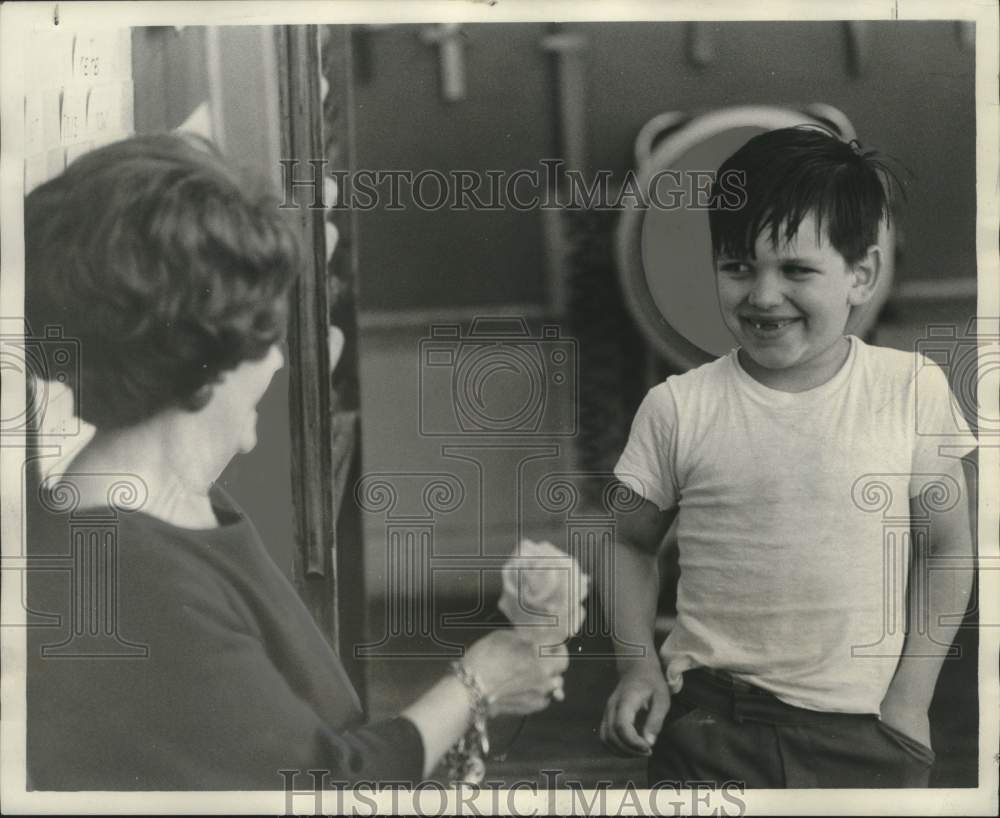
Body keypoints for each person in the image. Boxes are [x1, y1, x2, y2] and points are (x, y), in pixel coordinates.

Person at [24, 133, 568, 790]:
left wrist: (490, 680)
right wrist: (479, 683)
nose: (278, 361)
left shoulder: (182, 505)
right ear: (198, 355)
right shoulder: (125, 572)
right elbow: (319, 790)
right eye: (262, 337)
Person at [599, 127, 977, 788]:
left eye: (796, 269)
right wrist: (637, 666)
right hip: (709, 729)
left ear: (862, 274)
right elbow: (627, 545)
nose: (764, 295)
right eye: (738, 266)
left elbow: (947, 550)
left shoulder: (911, 389)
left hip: (866, 736)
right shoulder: (678, 407)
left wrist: (910, 702)